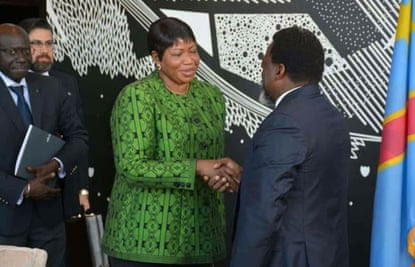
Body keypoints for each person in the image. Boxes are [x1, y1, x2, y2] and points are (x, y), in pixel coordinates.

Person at [102, 17, 242, 267]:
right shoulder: (137, 96)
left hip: (199, 238)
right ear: (157, 58)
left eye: (193, 51)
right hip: (144, 242)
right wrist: (198, 167)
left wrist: (223, 175)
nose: (189, 61)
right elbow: (131, 166)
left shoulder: (211, 96)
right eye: (178, 54)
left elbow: (213, 159)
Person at [231, 26, 350, 267]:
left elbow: (263, 214)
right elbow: (307, 186)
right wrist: (250, 178)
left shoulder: (283, 123)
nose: (262, 71)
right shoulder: (333, 117)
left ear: (279, 70)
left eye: (264, 64)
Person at [0, 24, 88, 267]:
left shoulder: (52, 87)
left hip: (49, 218)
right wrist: (24, 190)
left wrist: (55, 164)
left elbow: (78, 137)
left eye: (25, 51)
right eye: (11, 52)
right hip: (4, 219)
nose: (21, 58)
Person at [18, 18, 91, 216]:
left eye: (49, 43)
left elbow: (78, 139)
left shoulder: (66, 83)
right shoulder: (13, 85)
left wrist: (82, 190)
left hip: (60, 188)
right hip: (18, 190)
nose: (44, 49)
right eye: (36, 43)